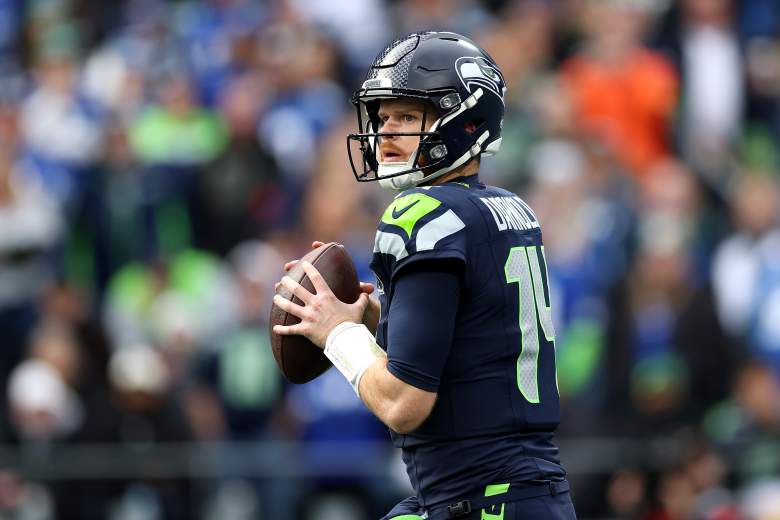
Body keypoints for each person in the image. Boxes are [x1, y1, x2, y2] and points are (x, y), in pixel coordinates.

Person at [273, 31, 577, 519]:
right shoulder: (512, 209)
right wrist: (382, 322)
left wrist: (340, 335)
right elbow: (475, 342)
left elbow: (403, 404)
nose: (386, 132)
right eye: (383, 116)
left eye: (408, 116)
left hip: (481, 500)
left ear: (465, 121)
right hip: (514, 493)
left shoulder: (421, 214)